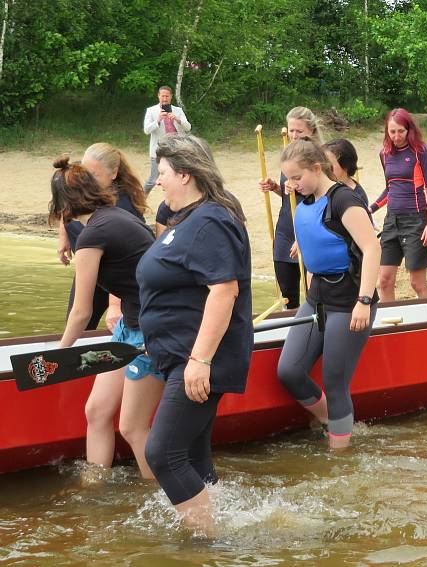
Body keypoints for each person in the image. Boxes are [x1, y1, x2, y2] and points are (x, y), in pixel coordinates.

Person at [138, 134, 253, 532]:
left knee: (163, 452)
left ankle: (209, 541)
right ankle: (223, 525)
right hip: (179, 356)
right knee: (191, 452)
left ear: (185, 175)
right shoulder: (185, 218)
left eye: (163, 173)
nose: (157, 181)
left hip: (199, 358)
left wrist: (200, 360)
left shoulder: (211, 221)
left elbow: (224, 290)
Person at [48, 155, 162, 480]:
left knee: (132, 428)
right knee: (96, 411)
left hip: (152, 329)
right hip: (131, 323)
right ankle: (94, 493)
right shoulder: (108, 217)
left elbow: (82, 311)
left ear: (63, 204)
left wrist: (60, 353)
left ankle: (166, 498)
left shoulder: (93, 234)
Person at [276, 138, 380, 449]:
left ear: (317, 168)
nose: (292, 185)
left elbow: (373, 248)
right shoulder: (305, 201)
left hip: (349, 302)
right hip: (317, 299)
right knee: (289, 371)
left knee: (335, 383)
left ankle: (341, 454)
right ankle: (332, 421)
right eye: (288, 179)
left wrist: (364, 301)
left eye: (297, 178)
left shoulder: (343, 200)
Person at [57, 144, 149, 331]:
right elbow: (65, 206)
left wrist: (115, 306)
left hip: (115, 274)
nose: (87, 181)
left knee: (88, 319)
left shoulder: (121, 206)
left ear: (113, 173)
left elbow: (126, 263)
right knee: (75, 323)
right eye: (84, 174)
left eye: (94, 175)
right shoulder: (81, 188)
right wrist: (63, 236)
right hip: (89, 266)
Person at [259, 107, 323, 309]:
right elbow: (291, 199)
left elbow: (322, 198)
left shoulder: (318, 160)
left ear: (311, 131)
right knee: (287, 294)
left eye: (299, 131)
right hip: (286, 228)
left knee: (314, 294)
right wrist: (276, 188)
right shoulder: (288, 155)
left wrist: (303, 236)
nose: (294, 136)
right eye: (291, 130)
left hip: (309, 229)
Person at [369, 108, 427, 301]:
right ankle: (392, 326)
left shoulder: (420, 151)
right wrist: (370, 208)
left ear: (409, 129)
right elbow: (390, 189)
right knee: (384, 280)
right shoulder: (384, 154)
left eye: (401, 131)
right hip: (391, 222)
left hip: (416, 221)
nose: (397, 136)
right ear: (387, 132)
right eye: (392, 132)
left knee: (417, 283)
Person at [143, 86, 191, 194]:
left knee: (181, 176)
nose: (165, 99)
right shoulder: (151, 111)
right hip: (158, 150)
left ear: (171, 97)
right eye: (163, 96)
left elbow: (188, 127)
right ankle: (139, 200)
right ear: (158, 96)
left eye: (167, 96)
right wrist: (158, 120)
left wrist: (178, 120)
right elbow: (146, 130)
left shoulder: (178, 111)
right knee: (153, 179)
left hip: (177, 148)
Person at [322, 138, 370, 207]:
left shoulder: (356, 199)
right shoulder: (327, 185)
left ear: (345, 166)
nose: (324, 169)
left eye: (329, 165)